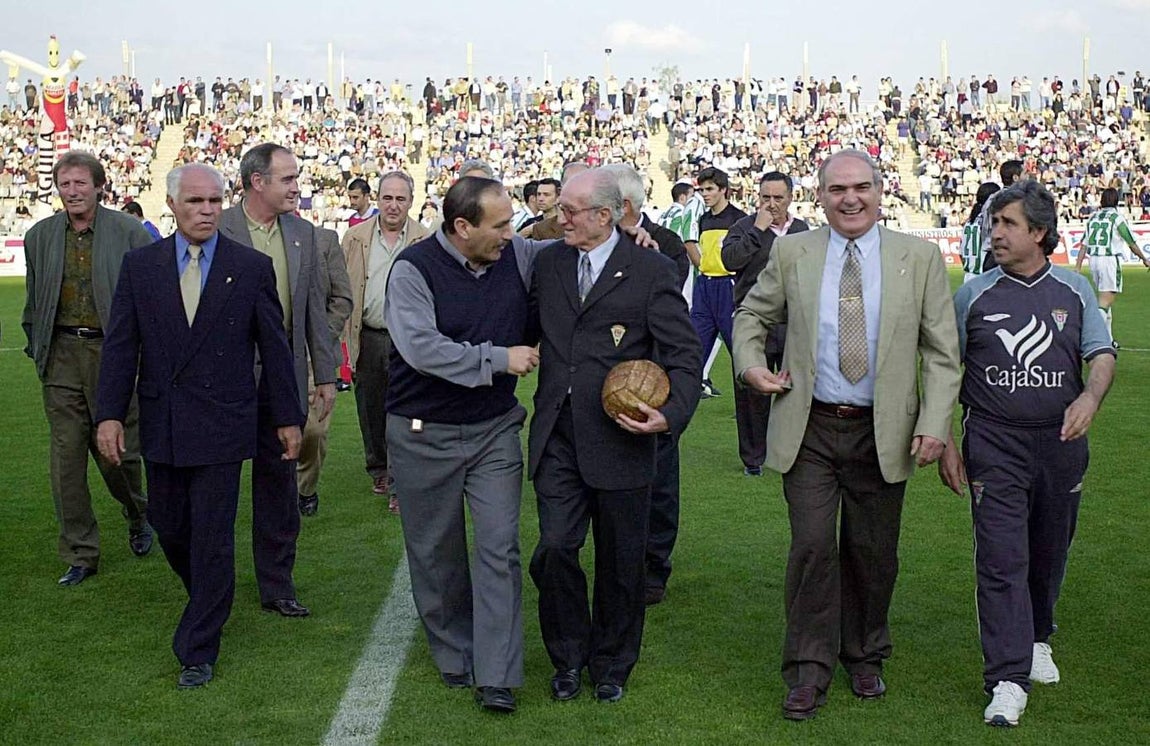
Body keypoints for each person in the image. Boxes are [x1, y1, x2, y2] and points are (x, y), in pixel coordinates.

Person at [732, 150, 961, 721]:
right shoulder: (792, 252)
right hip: (808, 429)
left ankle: (864, 654)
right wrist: (751, 364)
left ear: (881, 192)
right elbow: (750, 316)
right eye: (837, 189)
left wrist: (935, 425)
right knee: (812, 547)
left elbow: (941, 353)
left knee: (872, 551)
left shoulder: (921, 256)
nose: (850, 198)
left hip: (883, 434)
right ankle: (808, 670)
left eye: (861, 187)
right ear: (821, 195)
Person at [95, 163, 303, 688]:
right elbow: (122, 347)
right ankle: (212, 593)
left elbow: (275, 351)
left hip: (224, 422)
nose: (206, 211)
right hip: (163, 422)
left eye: (213, 201)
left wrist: (286, 418)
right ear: (172, 205)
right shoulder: (141, 267)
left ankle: (198, 647)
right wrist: (110, 415)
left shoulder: (250, 267)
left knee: (212, 535)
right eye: (194, 202)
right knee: (170, 526)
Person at [939, 180, 1116, 727]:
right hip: (994, 442)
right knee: (1000, 558)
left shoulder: (1074, 290)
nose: (995, 233)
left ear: (1039, 232)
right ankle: (1007, 679)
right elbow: (943, 368)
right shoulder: (974, 295)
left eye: (1008, 224)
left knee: (1049, 550)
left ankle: (1038, 635)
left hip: (1061, 443)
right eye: (994, 223)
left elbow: (1102, 353)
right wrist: (945, 437)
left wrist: (1090, 394)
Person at [527, 168, 702, 704]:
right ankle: (568, 656)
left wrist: (668, 415)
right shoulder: (548, 261)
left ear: (606, 216)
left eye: (572, 212)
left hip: (623, 437)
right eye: (560, 209)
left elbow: (684, 355)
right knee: (555, 548)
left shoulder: (649, 268)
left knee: (622, 560)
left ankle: (612, 664)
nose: (562, 219)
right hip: (558, 434)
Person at [383, 176, 539, 714]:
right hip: (422, 432)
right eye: (499, 225)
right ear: (462, 227)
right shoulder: (412, 271)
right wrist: (498, 358)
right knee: (436, 551)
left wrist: (635, 232)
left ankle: (496, 674)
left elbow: (568, 252)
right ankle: (454, 650)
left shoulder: (518, 255)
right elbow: (422, 348)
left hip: (495, 427)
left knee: (500, 548)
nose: (511, 234)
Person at [21, 150, 153, 586]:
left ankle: (138, 514)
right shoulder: (39, 236)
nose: (72, 191)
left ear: (100, 186)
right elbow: (34, 299)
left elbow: (155, 300)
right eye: (65, 184)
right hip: (60, 357)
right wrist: (35, 342)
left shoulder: (130, 232)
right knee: (65, 459)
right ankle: (81, 552)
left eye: (81, 183)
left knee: (117, 455)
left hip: (113, 357)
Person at [219, 143, 338, 617]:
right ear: (257, 182)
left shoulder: (303, 234)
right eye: (287, 179)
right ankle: (211, 581)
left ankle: (277, 584)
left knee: (278, 486)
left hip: (281, 379)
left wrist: (324, 375)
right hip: (223, 383)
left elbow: (312, 309)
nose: (296, 186)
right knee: (217, 487)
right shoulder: (217, 227)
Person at [601, 163, 691, 607]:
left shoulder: (667, 246)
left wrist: (644, 258)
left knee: (660, 480)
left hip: (655, 384)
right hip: (606, 386)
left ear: (624, 207)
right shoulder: (592, 249)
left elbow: (665, 306)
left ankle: (654, 567)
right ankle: (617, 563)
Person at [341, 171, 429, 513]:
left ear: (411, 201)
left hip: (409, 339)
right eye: (387, 198)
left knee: (408, 411)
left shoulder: (424, 239)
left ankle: (400, 481)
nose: (393, 205)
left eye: (401, 198)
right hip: (369, 335)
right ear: (377, 200)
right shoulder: (354, 238)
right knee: (371, 407)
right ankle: (378, 468)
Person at [721, 172, 810, 477]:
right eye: (765, 197)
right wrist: (757, 231)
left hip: (793, 321)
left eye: (778, 198)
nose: (771, 204)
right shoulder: (744, 227)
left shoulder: (801, 231)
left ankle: (791, 451)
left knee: (794, 388)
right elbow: (730, 261)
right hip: (754, 321)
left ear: (791, 198)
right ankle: (753, 459)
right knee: (751, 393)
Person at [296, 224, 352, 516]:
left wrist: (319, 336)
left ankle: (306, 486)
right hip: (271, 353)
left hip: (314, 355)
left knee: (314, 431)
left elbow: (342, 298)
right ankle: (283, 490)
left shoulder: (325, 239)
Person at [690, 168, 745, 401]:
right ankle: (685, 400)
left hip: (728, 286)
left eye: (710, 189)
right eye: (702, 190)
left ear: (724, 190)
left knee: (739, 349)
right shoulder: (704, 219)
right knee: (694, 346)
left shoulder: (739, 219)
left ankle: (749, 404)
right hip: (705, 286)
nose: (705, 194)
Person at [1073, 187, 1150, 345]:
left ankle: (1108, 340)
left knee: (1105, 302)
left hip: (1093, 260)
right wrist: (1144, 259)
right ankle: (1090, 337)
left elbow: (1083, 245)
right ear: (1116, 200)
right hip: (1108, 260)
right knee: (1105, 302)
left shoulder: (1093, 217)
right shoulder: (1117, 218)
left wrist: (1078, 267)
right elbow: (1131, 242)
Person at [960, 182, 1001, 283]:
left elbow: (961, 254)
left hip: (968, 276)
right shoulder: (987, 222)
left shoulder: (969, 223)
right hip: (984, 275)